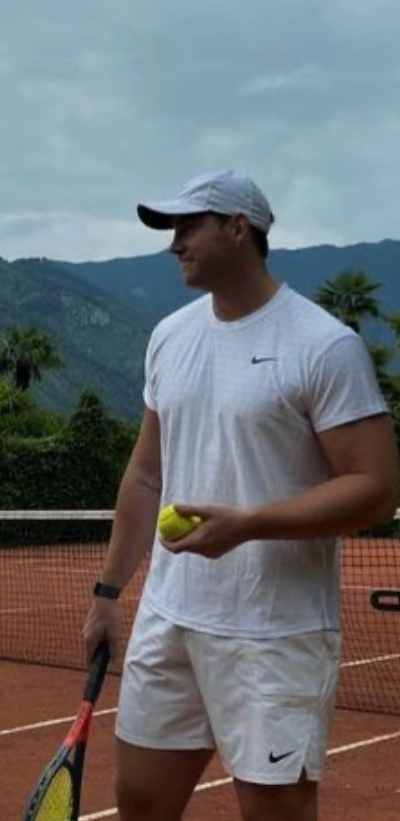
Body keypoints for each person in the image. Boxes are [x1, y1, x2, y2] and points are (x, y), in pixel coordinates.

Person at [83, 170, 399, 821]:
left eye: (188, 226)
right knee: (139, 802)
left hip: (274, 632)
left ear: (239, 228)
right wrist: (109, 593)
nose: (174, 243)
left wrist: (250, 524)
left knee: (275, 813)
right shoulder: (170, 337)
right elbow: (146, 474)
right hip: (170, 619)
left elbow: (376, 490)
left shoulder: (323, 346)